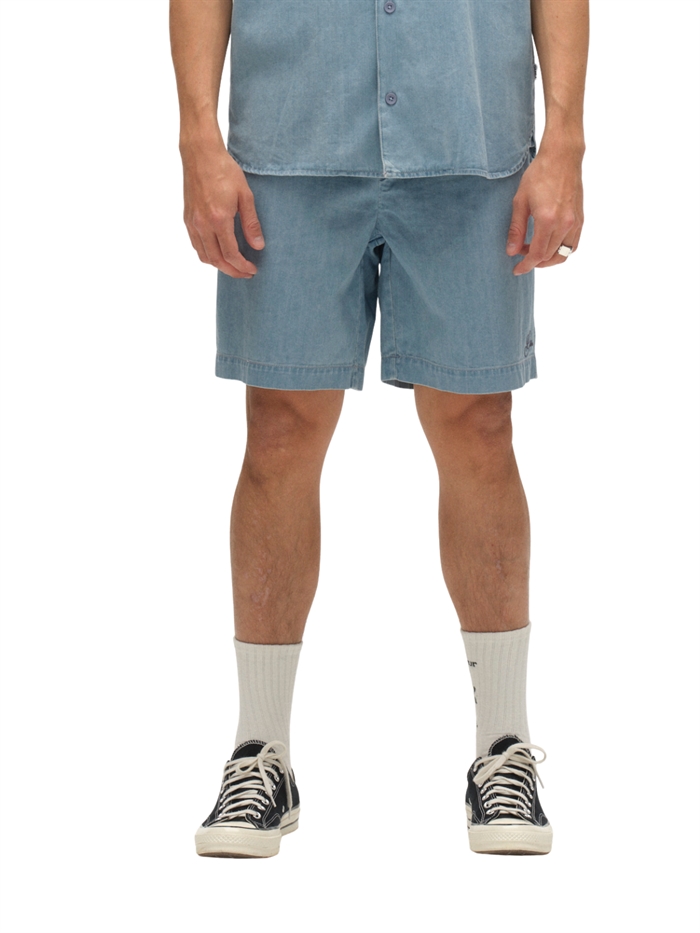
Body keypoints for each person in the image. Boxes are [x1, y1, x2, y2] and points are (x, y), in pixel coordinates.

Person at [169, 0, 588, 859]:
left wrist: (566, 141)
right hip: (291, 143)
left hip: (470, 143)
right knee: (279, 432)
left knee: (480, 428)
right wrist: (197, 137)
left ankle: (504, 748)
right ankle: (261, 752)